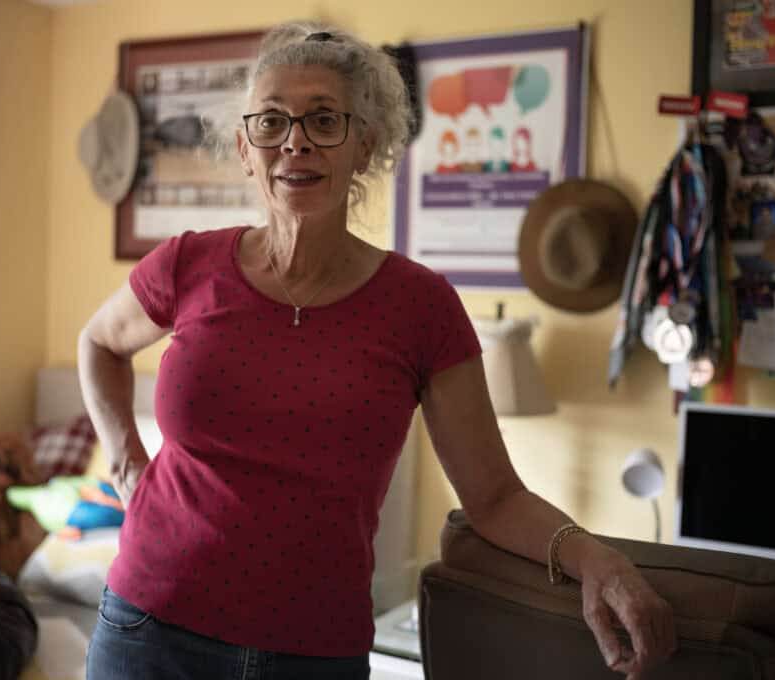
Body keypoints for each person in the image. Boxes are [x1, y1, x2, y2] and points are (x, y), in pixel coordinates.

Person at [79, 21, 676, 680]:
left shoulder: (421, 308)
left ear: (364, 145)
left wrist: (598, 559)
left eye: (324, 119)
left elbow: (495, 496)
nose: (296, 140)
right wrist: (126, 464)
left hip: (313, 654)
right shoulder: (187, 264)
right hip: (149, 631)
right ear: (247, 149)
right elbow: (100, 342)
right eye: (272, 122)